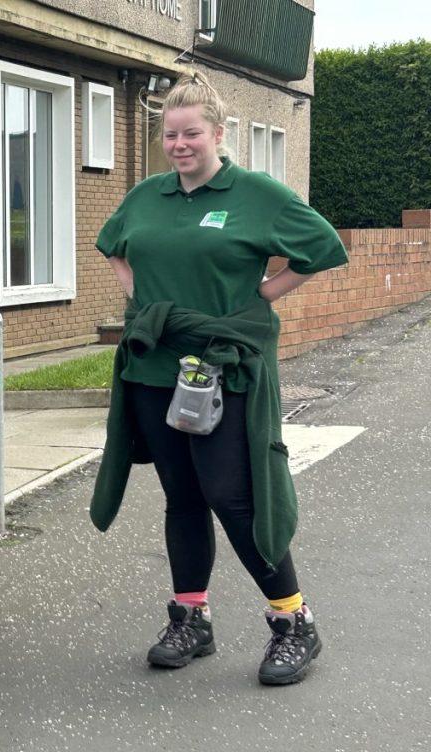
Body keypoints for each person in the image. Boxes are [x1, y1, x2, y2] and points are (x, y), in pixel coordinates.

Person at [89, 72, 347, 685]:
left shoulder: (255, 194)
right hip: (155, 368)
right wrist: (143, 300)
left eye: (191, 134)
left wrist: (261, 296)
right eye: (170, 135)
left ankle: (294, 621)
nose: (179, 144)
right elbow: (113, 246)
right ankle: (191, 617)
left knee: (233, 497)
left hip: (221, 370)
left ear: (219, 134)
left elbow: (323, 247)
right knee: (181, 496)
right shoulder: (148, 195)